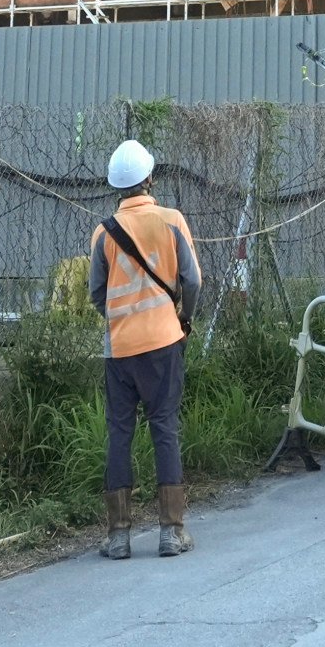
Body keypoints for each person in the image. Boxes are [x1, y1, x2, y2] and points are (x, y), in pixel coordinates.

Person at [86, 137, 200, 559]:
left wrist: (119, 319)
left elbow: (97, 292)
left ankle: (118, 537)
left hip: (120, 349)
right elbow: (193, 281)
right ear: (150, 179)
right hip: (165, 342)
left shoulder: (104, 232)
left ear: (118, 187)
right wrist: (183, 317)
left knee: (120, 433)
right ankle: (172, 532)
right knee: (164, 427)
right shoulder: (171, 220)